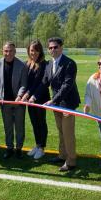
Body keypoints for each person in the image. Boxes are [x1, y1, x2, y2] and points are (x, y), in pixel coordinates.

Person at [30, 37, 80, 172]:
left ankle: (71, 161)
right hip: (57, 104)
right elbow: (44, 83)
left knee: (68, 133)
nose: (53, 50)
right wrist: (34, 96)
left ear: (61, 47)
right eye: (50, 48)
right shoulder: (48, 65)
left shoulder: (69, 63)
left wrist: (53, 100)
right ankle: (62, 155)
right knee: (61, 131)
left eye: (55, 47)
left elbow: (67, 85)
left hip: (68, 104)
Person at [0, 41, 27, 159]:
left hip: (18, 102)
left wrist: (19, 97)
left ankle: (19, 149)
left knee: (20, 127)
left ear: (15, 52)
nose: (8, 53)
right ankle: (9, 148)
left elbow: (24, 84)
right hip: (4, 103)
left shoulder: (22, 64)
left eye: (11, 51)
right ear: (2, 51)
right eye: (6, 51)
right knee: (8, 127)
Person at [21, 40, 50, 160]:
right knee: (34, 122)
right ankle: (37, 145)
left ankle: (42, 148)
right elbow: (26, 82)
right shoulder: (27, 63)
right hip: (29, 99)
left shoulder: (44, 64)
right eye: (32, 50)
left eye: (36, 50)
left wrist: (27, 95)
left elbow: (38, 83)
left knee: (41, 122)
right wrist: (24, 94)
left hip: (39, 98)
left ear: (40, 51)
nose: (34, 53)